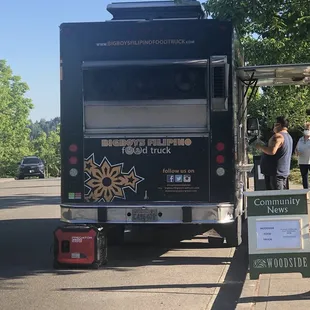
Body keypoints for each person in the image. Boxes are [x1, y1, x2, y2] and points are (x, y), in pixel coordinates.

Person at [256, 116, 293, 190]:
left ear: (278, 125)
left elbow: (272, 151)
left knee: (276, 198)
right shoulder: (288, 137)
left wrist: (260, 147)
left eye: (274, 124)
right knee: (281, 197)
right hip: (281, 172)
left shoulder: (278, 136)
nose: (273, 127)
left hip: (275, 173)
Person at [295, 122, 310, 189]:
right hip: (302, 161)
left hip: (309, 160)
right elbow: (296, 149)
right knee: (304, 178)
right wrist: (297, 152)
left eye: (308, 129)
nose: (307, 131)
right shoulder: (300, 139)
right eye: (306, 129)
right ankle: (306, 193)